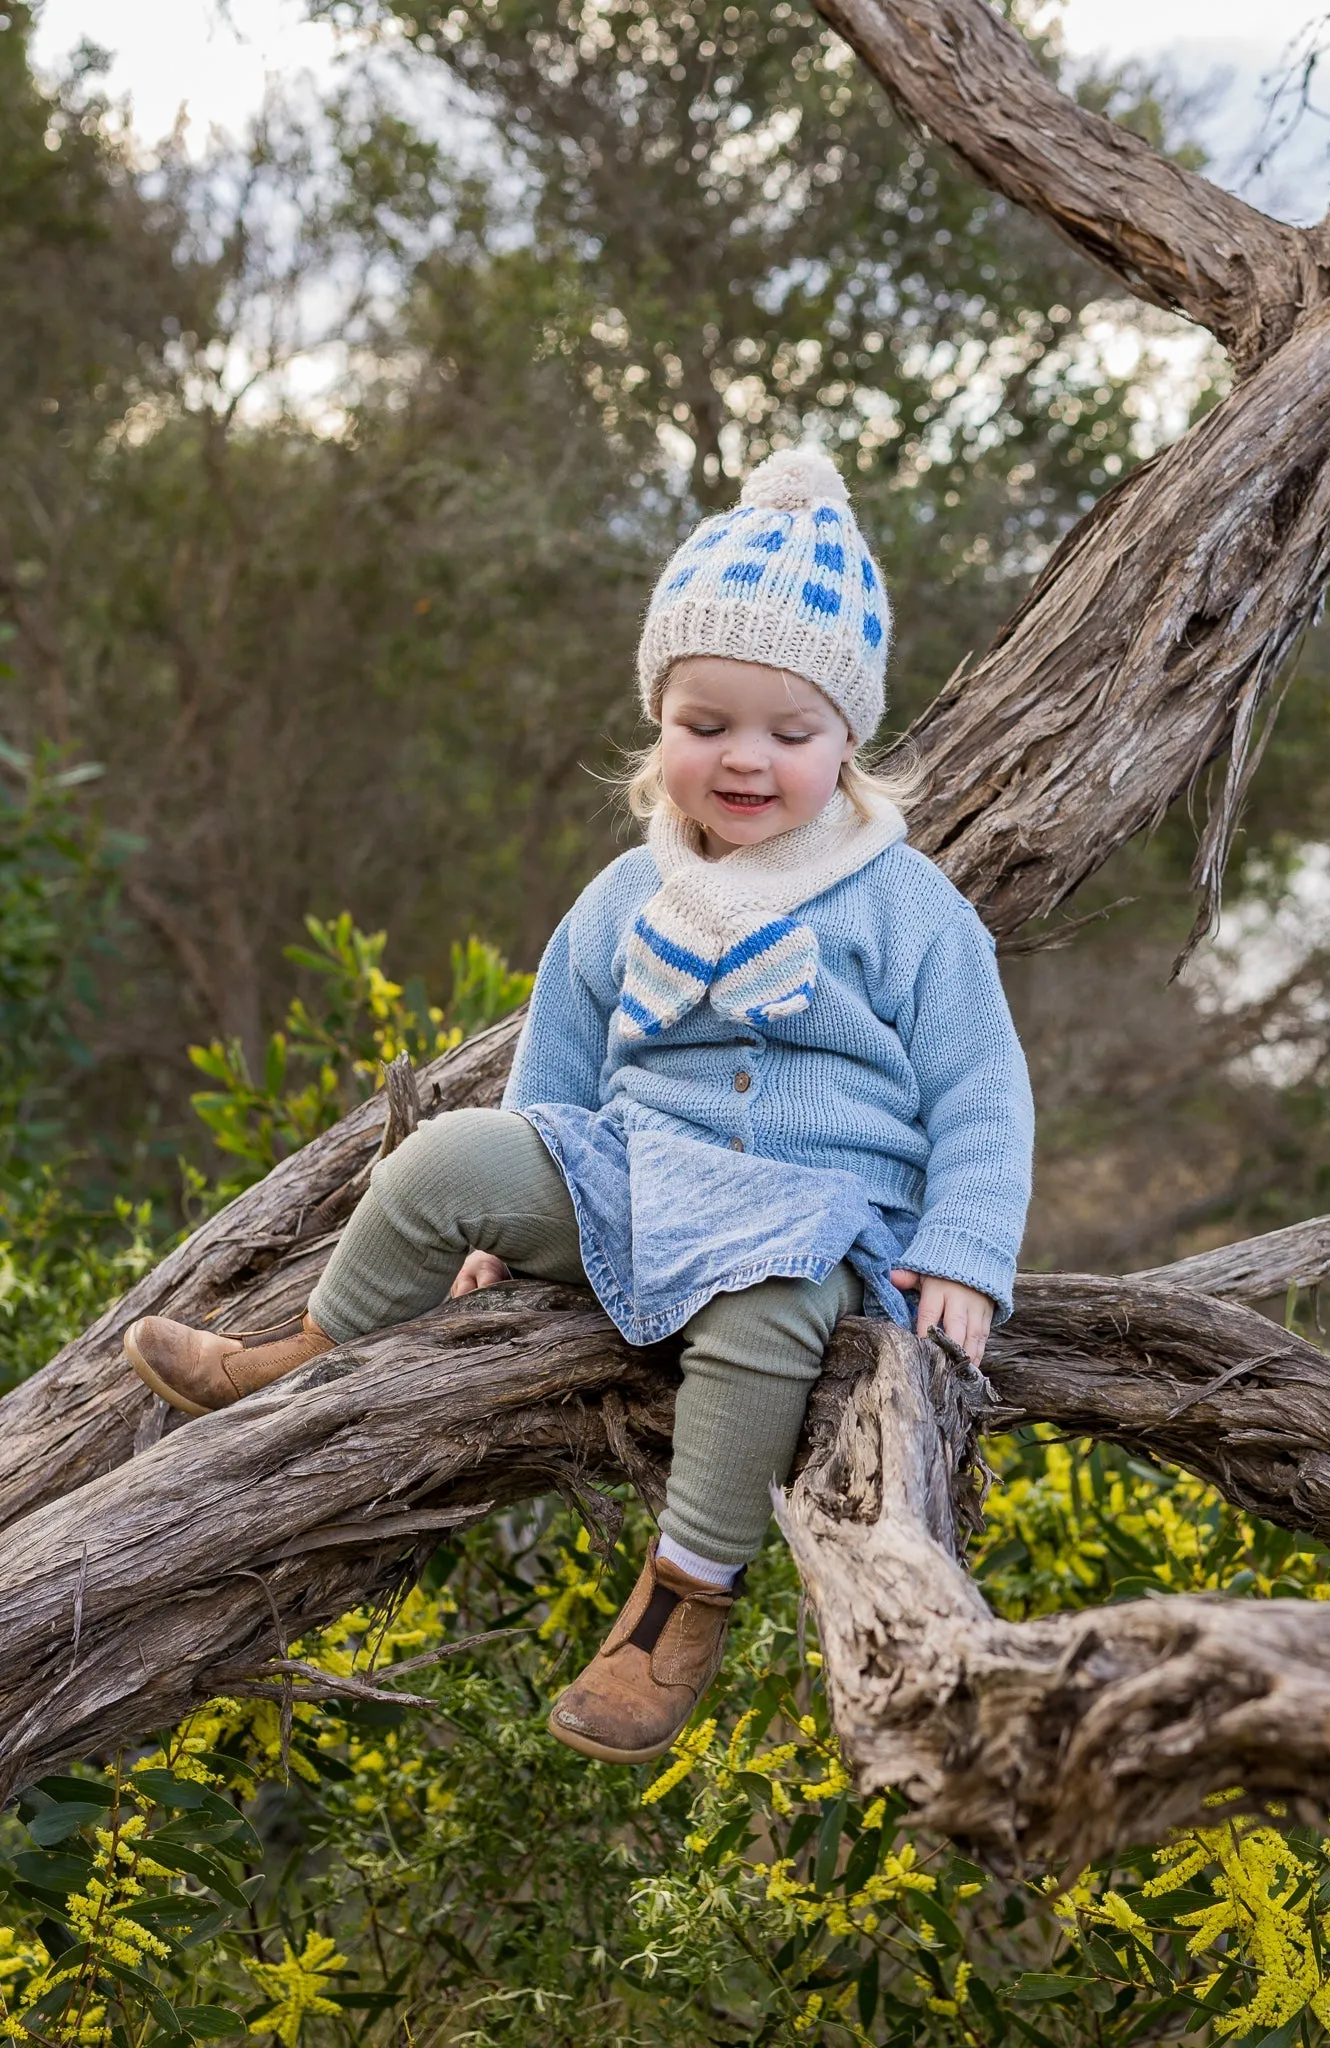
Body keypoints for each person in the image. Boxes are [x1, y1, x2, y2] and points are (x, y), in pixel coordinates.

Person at [122, 445, 1035, 1765]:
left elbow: (981, 1087)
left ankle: (681, 1600)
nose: (743, 760)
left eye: (790, 733)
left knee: (763, 1316)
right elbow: (555, 1068)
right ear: (658, 719)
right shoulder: (625, 896)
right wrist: (513, 1204)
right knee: (449, 1157)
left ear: (846, 743)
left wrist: (966, 1251)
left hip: (814, 1212)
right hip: (637, 1172)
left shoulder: (900, 905)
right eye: (704, 723)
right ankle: (305, 1358)